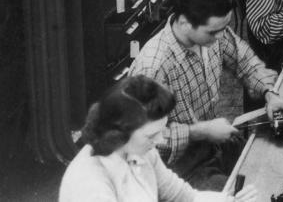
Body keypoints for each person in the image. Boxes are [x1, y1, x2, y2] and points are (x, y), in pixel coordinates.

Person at [129, 0, 283, 189]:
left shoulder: (212, 34)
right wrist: (201, 131)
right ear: (184, 23)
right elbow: (140, 142)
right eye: (212, 32)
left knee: (274, 170)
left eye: (223, 29)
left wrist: (270, 94)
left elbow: (243, 59)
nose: (220, 37)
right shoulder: (153, 68)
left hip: (212, 143)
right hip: (177, 169)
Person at [59, 75, 258, 202]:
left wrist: (228, 201)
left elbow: (183, 196)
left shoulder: (139, 150)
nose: (161, 140)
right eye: (151, 135)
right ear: (119, 132)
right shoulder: (89, 184)